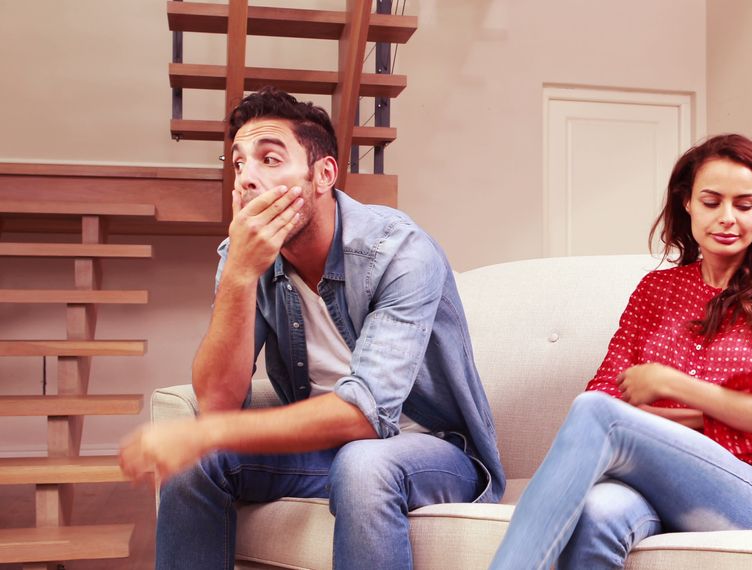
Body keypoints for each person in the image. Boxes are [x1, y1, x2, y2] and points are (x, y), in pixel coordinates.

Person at [119, 86, 504, 570]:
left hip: (433, 450)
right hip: (325, 454)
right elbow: (218, 401)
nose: (245, 181)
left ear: (324, 174)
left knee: (364, 463)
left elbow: (367, 416)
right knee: (196, 462)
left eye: (270, 159)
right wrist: (240, 274)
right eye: (238, 164)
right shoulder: (245, 255)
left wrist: (211, 430)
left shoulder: (401, 252)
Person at [489, 134, 752, 569]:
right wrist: (709, 419)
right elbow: (609, 395)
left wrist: (670, 386)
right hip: (655, 481)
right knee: (598, 513)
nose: (727, 218)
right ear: (687, 202)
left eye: (744, 205)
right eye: (711, 202)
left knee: (599, 417)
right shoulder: (656, 291)